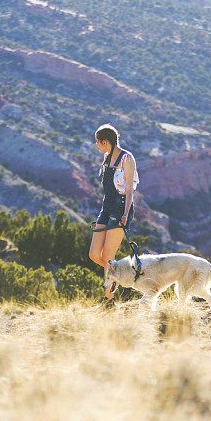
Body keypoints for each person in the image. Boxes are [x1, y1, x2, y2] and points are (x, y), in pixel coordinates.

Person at [88, 124, 139, 304]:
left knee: (109, 255)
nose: (97, 146)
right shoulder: (106, 157)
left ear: (106, 141)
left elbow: (130, 191)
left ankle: (108, 299)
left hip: (121, 207)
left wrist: (125, 214)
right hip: (107, 206)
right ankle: (118, 273)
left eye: (98, 143)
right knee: (94, 254)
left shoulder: (127, 158)